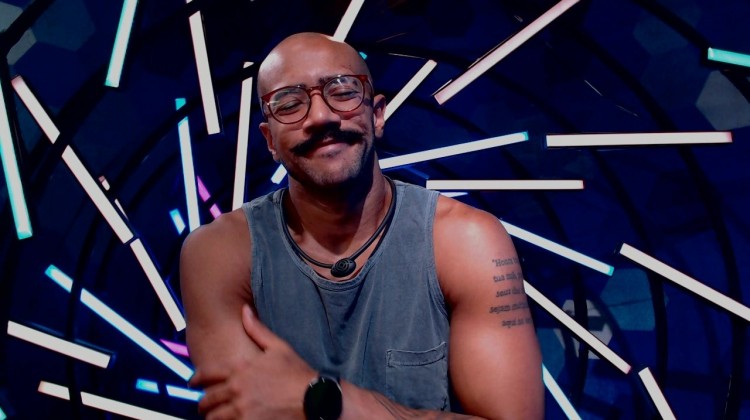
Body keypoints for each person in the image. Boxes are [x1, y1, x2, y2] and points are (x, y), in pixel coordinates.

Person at [180, 32, 543, 419]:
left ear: (378, 114)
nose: (320, 117)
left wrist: (328, 403)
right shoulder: (219, 254)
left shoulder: (466, 240)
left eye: (342, 92)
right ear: (270, 140)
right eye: (289, 103)